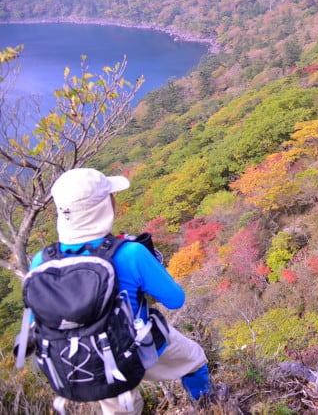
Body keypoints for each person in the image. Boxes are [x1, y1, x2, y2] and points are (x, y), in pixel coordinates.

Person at [28, 168, 219, 414]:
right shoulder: (130, 253)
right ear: (104, 206)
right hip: (139, 348)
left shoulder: (40, 261)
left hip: (86, 364)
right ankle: (210, 406)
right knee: (194, 360)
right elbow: (175, 300)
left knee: (123, 408)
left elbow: (36, 322)